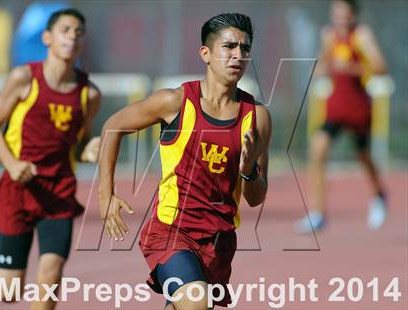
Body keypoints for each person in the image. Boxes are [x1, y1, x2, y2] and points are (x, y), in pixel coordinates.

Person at [99, 13, 271, 309]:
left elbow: (255, 198)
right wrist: (106, 196)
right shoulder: (175, 102)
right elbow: (112, 127)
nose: (238, 55)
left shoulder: (257, 118)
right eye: (228, 47)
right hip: (171, 230)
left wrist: (248, 172)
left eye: (245, 49)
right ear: (205, 53)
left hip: (220, 241)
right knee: (195, 302)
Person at [0, 8, 100, 309]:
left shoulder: (88, 93)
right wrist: (11, 165)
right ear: (47, 38)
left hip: (59, 192)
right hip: (18, 190)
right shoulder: (23, 78)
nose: (72, 37)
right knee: (10, 292)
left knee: (51, 274)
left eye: (79, 33)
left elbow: (81, 142)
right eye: (66, 30)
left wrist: (89, 149)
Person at [294, 0, 388, 233]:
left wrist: (353, 68)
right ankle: (318, 213)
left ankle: (379, 194)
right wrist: (319, 70)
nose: (340, 17)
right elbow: (322, 65)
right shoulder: (329, 35)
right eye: (336, 12)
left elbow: (380, 67)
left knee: (363, 156)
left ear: (353, 14)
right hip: (336, 106)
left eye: (344, 12)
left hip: (358, 108)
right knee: (318, 149)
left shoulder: (362, 35)